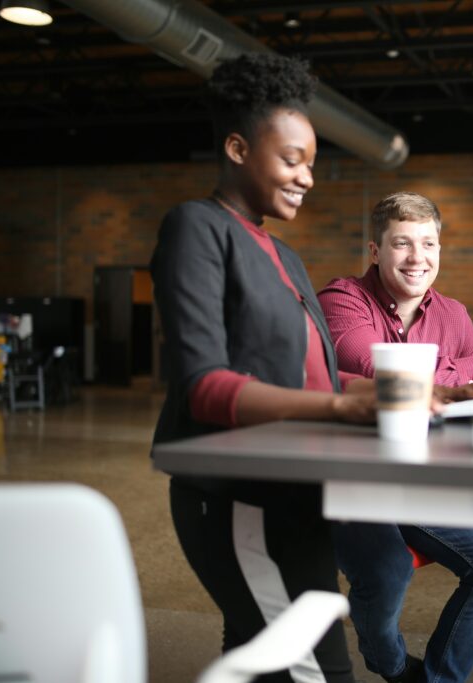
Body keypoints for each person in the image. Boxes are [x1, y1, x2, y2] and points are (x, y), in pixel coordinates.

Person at [150, 53, 381, 683]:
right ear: (236, 148)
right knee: (318, 669)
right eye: (291, 159)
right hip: (238, 494)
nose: (307, 177)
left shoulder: (283, 253)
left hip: (293, 488)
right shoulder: (197, 228)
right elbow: (205, 388)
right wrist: (342, 408)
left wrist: (423, 390)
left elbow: (319, 380)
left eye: (310, 162)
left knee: (264, 658)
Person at [317, 191, 473, 683]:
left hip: (420, 477)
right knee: (387, 572)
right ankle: (392, 668)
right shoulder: (342, 299)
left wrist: (469, 383)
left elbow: (472, 400)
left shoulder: (454, 315)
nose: (418, 258)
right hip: (353, 478)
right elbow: (378, 367)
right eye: (402, 244)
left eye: (428, 244)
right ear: (375, 250)